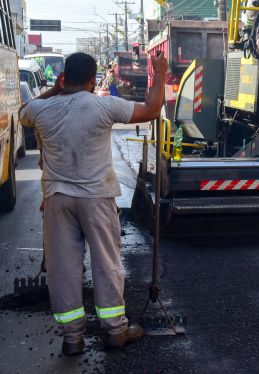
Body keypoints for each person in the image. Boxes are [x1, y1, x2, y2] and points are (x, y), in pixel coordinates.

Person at [20, 52, 168, 355]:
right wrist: (162, 73)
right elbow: (153, 109)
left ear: (63, 78)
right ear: (92, 80)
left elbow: (23, 111)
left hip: (57, 199)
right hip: (97, 198)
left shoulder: (40, 109)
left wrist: (56, 89)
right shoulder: (102, 105)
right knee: (106, 262)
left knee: (63, 268)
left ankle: (72, 338)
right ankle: (115, 331)